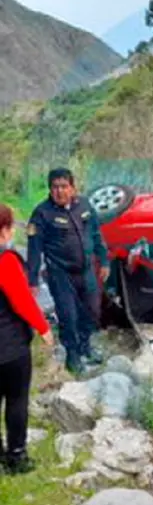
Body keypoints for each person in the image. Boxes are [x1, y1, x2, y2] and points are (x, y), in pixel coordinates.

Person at [26, 168, 110, 375]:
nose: (59, 191)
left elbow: (97, 235)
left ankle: (85, 347)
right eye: (55, 187)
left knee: (92, 311)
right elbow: (34, 249)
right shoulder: (42, 213)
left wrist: (105, 261)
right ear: (50, 189)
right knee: (68, 315)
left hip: (86, 270)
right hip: (60, 274)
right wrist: (32, 280)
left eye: (64, 186)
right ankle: (72, 356)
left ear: (73, 188)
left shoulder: (85, 205)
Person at [0, 203, 55, 475]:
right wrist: (44, 329)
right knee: (16, 401)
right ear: (4, 231)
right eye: (10, 227)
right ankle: (16, 457)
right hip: (9, 349)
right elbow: (22, 301)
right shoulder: (6, 261)